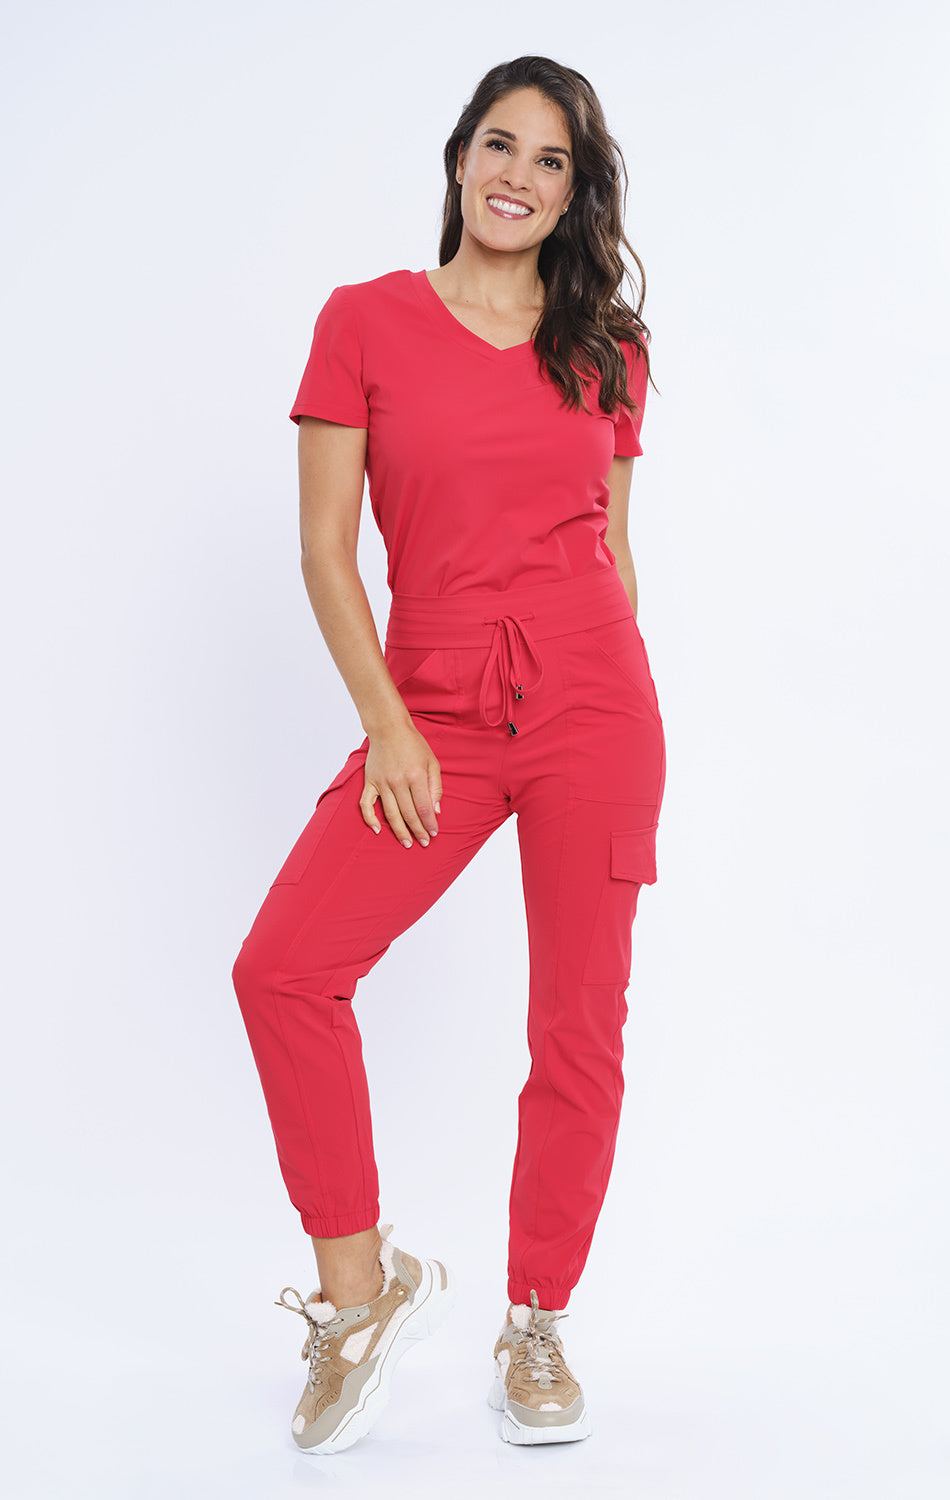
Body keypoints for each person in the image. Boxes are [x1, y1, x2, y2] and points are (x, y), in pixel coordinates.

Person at [232, 54, 665, 1455]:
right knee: (285, 969)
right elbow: (325, 550)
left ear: (575, 193)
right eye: (499, 144)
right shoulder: (364, 322)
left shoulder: (604, 345)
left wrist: (615, 698)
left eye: (551, 160)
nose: (518, 176)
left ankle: (536, 1318)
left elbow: (614, 548)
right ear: (458, 157)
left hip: (593, 702)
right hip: (433, 706)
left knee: (577, 1027)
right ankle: (360, 1295)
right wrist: (389, 725)